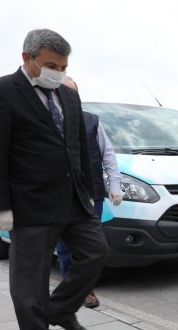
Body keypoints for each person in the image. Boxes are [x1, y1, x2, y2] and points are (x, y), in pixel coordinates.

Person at [0, 29, 109, 330]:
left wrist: (89, 194)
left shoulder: (69, 95)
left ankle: (60, 309)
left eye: (63, 66)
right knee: (30, 277)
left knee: (96, 253)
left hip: (74, 201)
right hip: (29, 203)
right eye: (50, 64)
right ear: (27, 58)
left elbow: (78, 149)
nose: (58, 72)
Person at [55, 76, 122, 309]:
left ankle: (86, 289)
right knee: (65, 247)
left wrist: (115, 186)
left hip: (91, 194)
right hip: (60, 195)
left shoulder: (91, 121)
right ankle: (74, 290)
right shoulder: (47, 119)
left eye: (72, 93)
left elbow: (109, 155)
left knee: (92, 246)